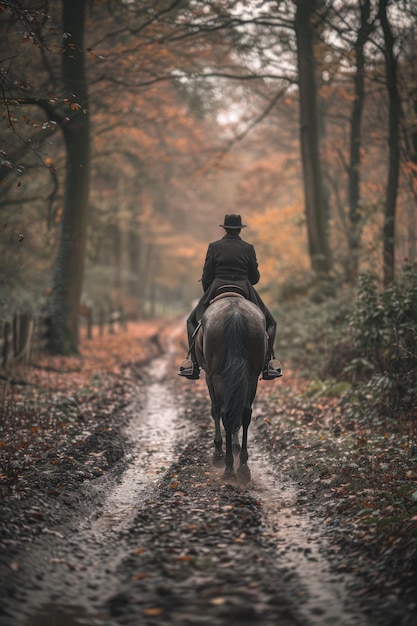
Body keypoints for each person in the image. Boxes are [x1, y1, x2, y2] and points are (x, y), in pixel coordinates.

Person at [178, 214, 282, 380]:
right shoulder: (248, 248)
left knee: (191, 321)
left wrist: (209, 291)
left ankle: (194, 364)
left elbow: (207, 276)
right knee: (271, 322)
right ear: (240, 229)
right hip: (244, 287)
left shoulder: (214, 246)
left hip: (217, 286)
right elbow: (254, 279)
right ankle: (268, 363)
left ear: (225, 228)